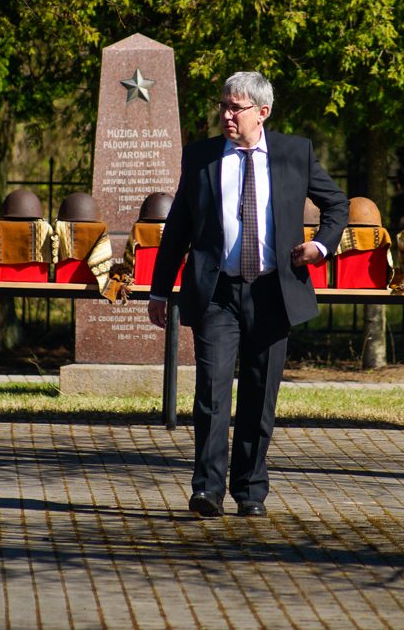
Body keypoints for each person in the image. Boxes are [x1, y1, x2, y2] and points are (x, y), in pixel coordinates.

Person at [148, 71, 349, 518]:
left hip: (273, 292)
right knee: (212, 393)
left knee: (260, 397)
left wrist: (319, 246)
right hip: (216, 291)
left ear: (262, 113)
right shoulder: (200, 157)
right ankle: (207, 490)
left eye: (235, 108)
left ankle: (250, 491)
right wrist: (160, 291)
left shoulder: (295, 153)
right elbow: (178, 226)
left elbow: (338, 204)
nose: (225, 115)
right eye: (222, 105)